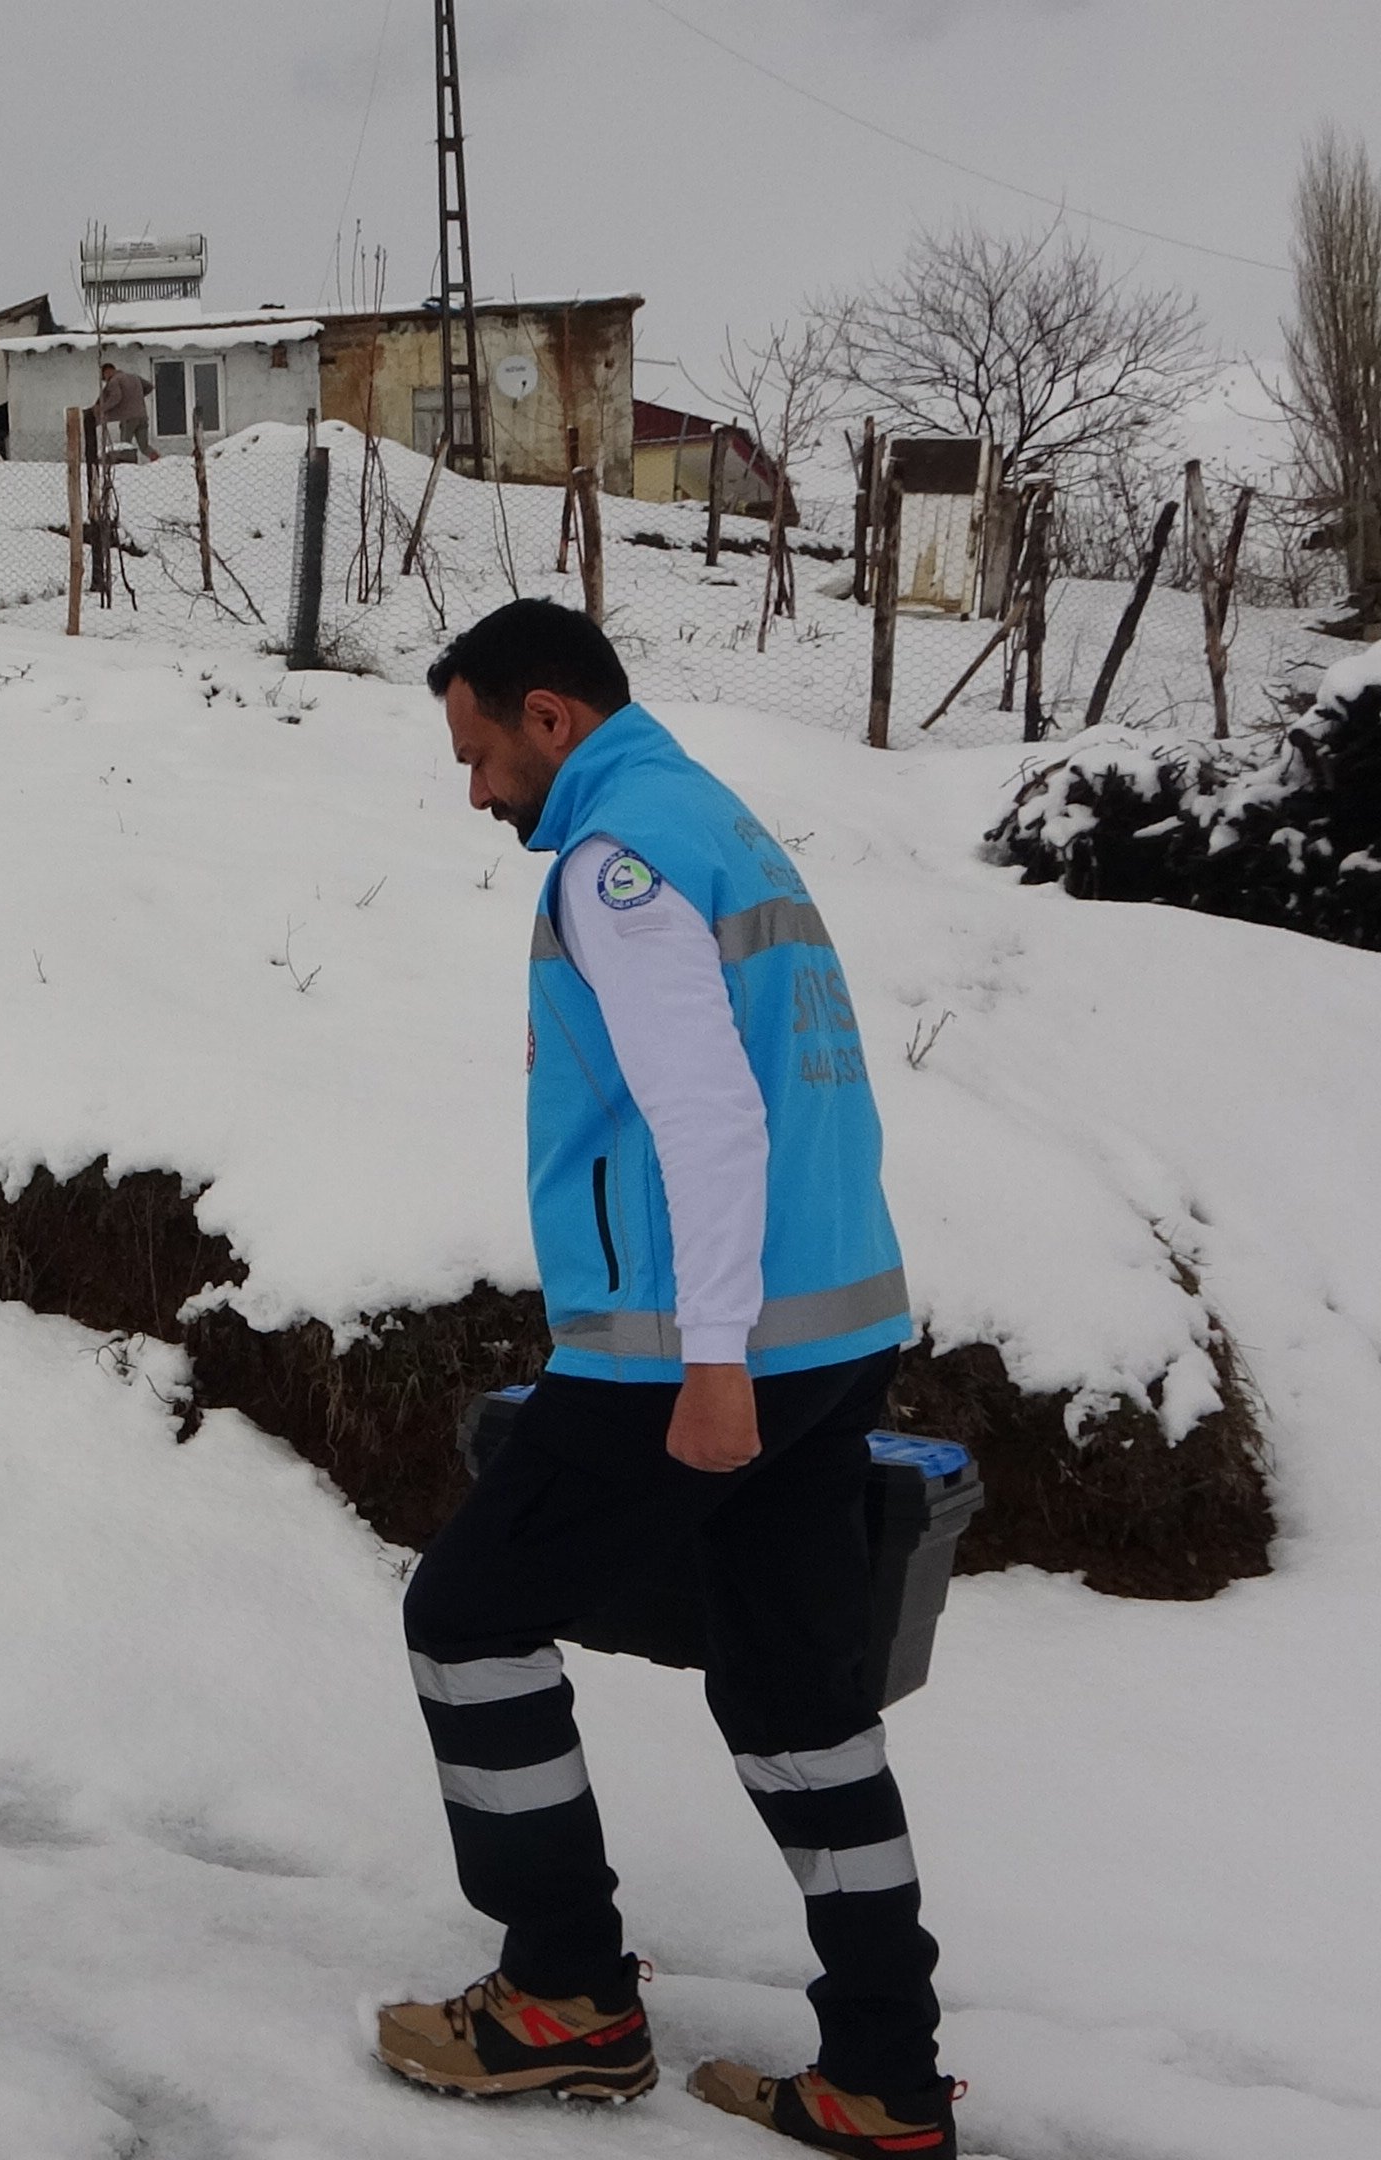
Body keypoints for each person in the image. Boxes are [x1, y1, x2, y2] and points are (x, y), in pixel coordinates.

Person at [371, 600, 961, 2159]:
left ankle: (563, 1994)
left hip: (692, 1351)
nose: (478, 789)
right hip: (832, 1329)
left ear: (550, 717)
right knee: (795, 1701)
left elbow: (706, 1120)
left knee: (466, 1616)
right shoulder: (714, 824)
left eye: (482, 750)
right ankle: (884, 2076)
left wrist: (709, 1363)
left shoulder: (614, 862)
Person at [87, 360, 153, 460]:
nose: (105, 380)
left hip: (128, 418)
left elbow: (116, 397)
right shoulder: (134, 377)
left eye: (104, 378)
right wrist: (136, 397)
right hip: (142, 416)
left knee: (125, 446)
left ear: (107, 372)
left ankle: (128, 467)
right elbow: (149, 386)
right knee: (144, 447)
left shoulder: (114, 380)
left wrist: (102, 408)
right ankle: (159, 461)